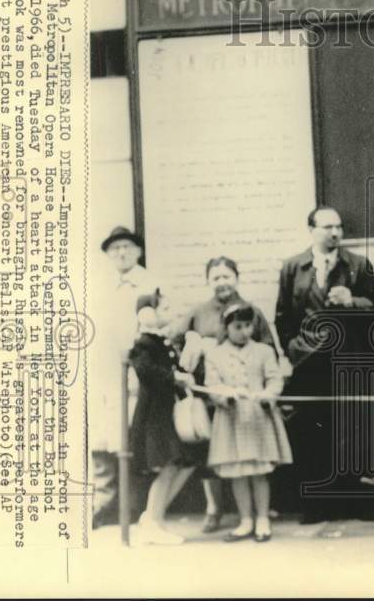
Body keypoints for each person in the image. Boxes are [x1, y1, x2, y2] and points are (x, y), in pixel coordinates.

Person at [275, 206, 374, 523]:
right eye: (327, 227)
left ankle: (354, 503)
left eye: (338, 227)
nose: (335, 233)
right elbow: (283, 317)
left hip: (348, 362)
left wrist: (352, 301)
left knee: (351, 433)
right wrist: (294, 351)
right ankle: (315, 506)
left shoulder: (358, 265)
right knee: (312, 434)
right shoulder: (292, 268)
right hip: (309, 366)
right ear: (311, 230)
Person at [175, 256, 278, 533]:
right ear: (208, 281)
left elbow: (268, 349)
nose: (222, 282)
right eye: (216, 278)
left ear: (236, 277)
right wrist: (195, 344)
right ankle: (214, 508)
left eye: (226, 276)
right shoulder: (198, 312)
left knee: (251, 461)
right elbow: (175, 344)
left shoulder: (251, 310)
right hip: (210, 393)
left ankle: (256, 516)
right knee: (215, 456)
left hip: (248, 397)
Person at [205, 303, 293, 542]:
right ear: (226, 328)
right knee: (238, 471)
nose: (244, 331)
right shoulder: (215, 354)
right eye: (237, 327)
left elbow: (275, 380)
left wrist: (268, 395)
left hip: (257, 418)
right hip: (231, 420)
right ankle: (245, 520)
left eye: (248, 326)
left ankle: (262, 518)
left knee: (259, 471)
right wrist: (227, 395)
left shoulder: (264, 351)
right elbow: (212, 385)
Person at [90, 226, 159, 529]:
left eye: (127, 247)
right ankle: (102, 505)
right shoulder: (99, 284)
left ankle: (132, 506)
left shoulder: (150, 283)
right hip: (103, 370)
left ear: (138, 251)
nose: (121, 253)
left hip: (137, 370)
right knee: (102, 439)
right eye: (115, 248)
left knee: (131, 437)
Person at [128, 290, 200, 545]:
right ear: (148, 314)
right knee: (168, 465)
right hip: (153, 416)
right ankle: (152, 522)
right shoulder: (144, 342)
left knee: (183, 463)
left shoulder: (162, 342)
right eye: (165, 308)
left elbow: (174, 369)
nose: (171, 313)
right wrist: (175, 377)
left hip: (166, 413)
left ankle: (151, 519)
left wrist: (185, 371)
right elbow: (146, 370)